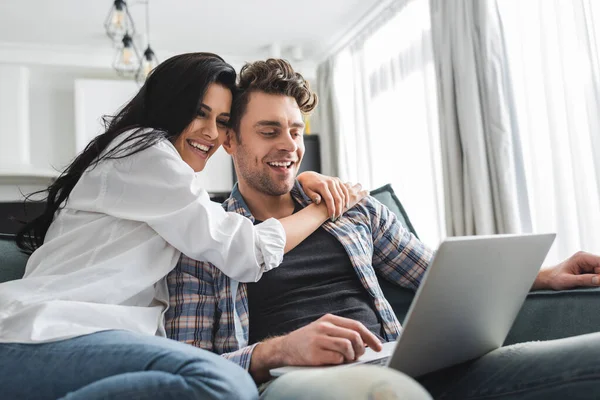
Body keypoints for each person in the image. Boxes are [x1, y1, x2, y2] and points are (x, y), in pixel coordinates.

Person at [166, 58, 600, 400]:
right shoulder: (207, 238)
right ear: (231, 141)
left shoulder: (355, 211)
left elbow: (434, 275)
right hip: (296, 383)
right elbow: (193, 366)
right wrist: (279, 351)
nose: (288, 145)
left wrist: (545, 275)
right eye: (269, 131)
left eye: (296, 131)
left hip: (402, 365)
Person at [0, 53, 367, 400]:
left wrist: (299, 180)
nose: (212, 133)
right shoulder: (143, 152)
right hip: (44, 331)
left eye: (222, 121)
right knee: (224, 383)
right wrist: (322, 209)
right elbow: (246, 251)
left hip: (98, 340)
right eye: (199, 114)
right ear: (169, 107)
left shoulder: (167, 185)